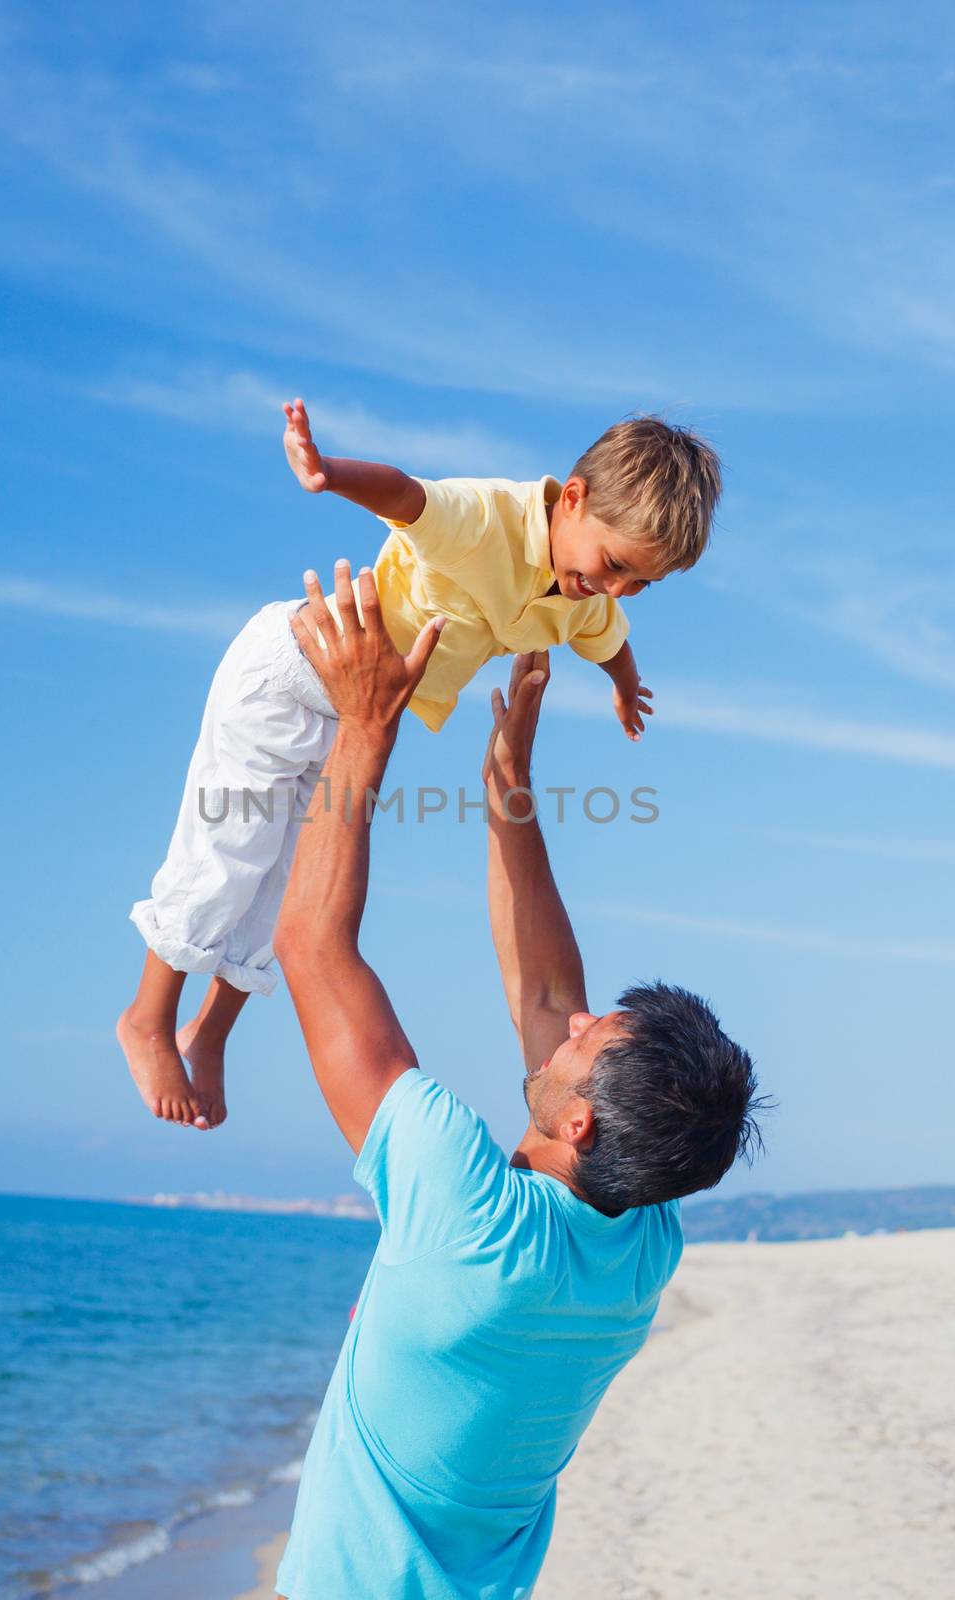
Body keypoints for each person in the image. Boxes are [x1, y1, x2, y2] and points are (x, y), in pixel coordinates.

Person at [270, 561, 763, 1599]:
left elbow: (311, 948)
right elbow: (544, 984)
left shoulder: (475, 1219)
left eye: (584, 1040)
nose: (572, 1020)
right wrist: (508, 775)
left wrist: (366, 729)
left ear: (579, 1121)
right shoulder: (635, 1245)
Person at [118, 398, 723, 1132]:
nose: (619, 590)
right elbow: (407, 496)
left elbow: (608, 638)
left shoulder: (582, 598)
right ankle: (149, 1019)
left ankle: (208, 1033)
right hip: (287, 680)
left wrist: (625, 687)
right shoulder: (488, 521)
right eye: (617, 565)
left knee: (284, 886)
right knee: (227, 856)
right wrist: (326, 472)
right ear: (573, 499)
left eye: (643, 584)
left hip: (352, 722)